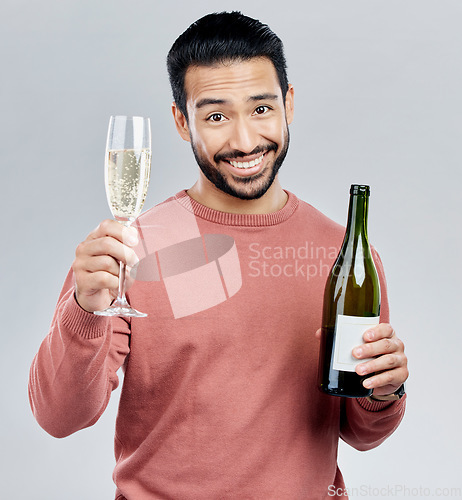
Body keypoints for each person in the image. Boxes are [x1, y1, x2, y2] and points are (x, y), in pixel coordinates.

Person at [29, 11, 408, 499]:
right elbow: (58, 416)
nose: (245, 141)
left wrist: (385, 391)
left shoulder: (344, 256)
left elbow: (360, 433)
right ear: (182, 122)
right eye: (215, 116)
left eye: (261, 109)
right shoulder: (133, 249)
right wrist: (83, 311)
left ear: (288, 105)